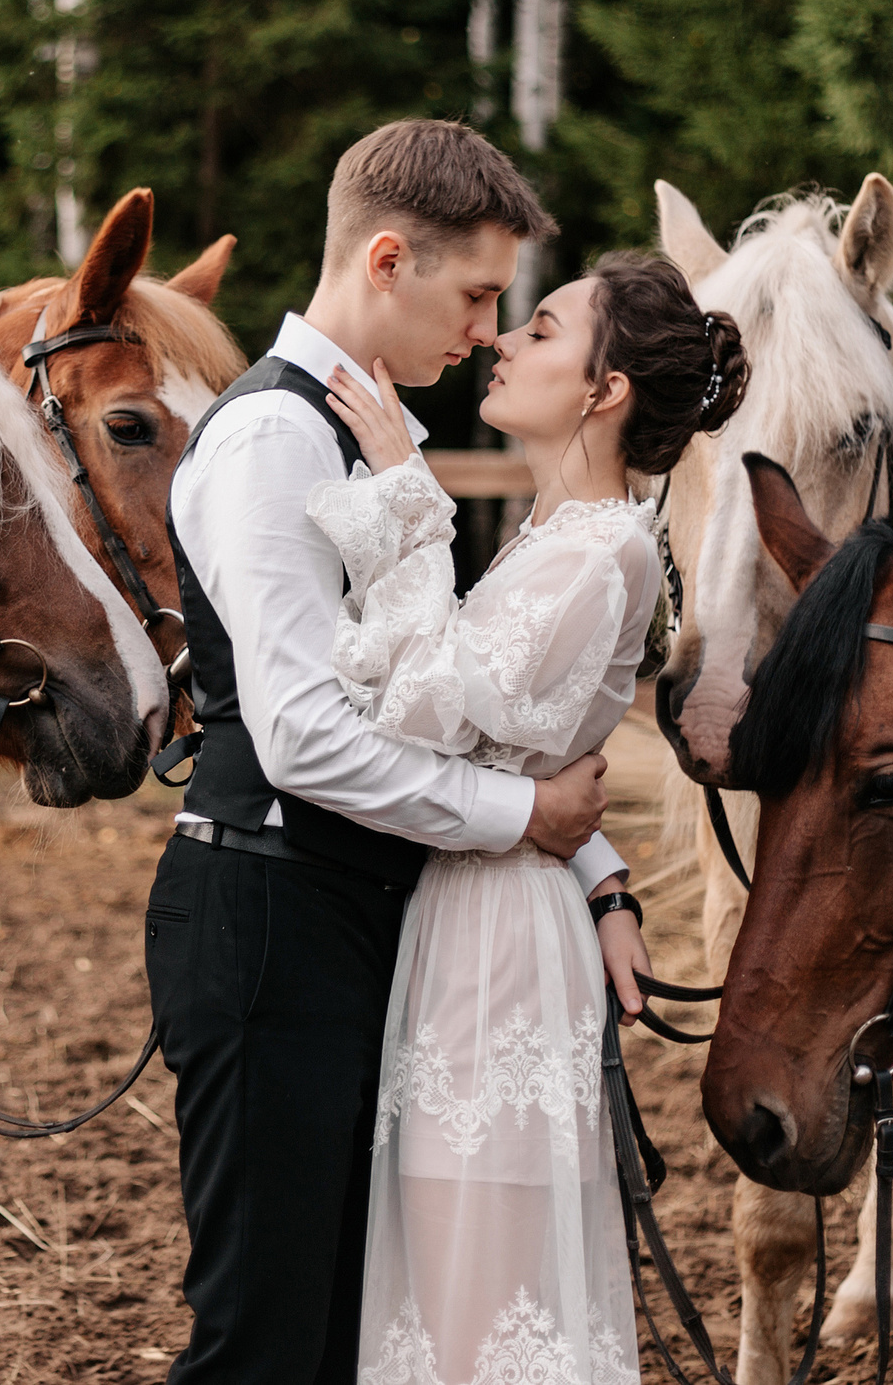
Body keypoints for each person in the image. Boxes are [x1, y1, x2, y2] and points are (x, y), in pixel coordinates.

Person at [145, 120, 613, 1385]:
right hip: (267, 917)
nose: (482, 331)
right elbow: (302, 737)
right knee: (265, 1335)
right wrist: (521, 817)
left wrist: (594, 864)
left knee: (350, 1325)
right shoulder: (272, 441)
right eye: (472, 295)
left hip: (355, 918)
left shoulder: (372, 430)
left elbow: (450, 689)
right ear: (389, 259)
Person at [315, 253, 748, 1385]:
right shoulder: (564, 539)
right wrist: (607, 878)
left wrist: (407, 486)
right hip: (479, 910)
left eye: (542, 331)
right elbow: (520, 750)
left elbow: (418, 719)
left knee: (483, 1267)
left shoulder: (600, 550)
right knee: (453, 1260)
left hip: (497, 935)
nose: (502, 341)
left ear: (603, 391)